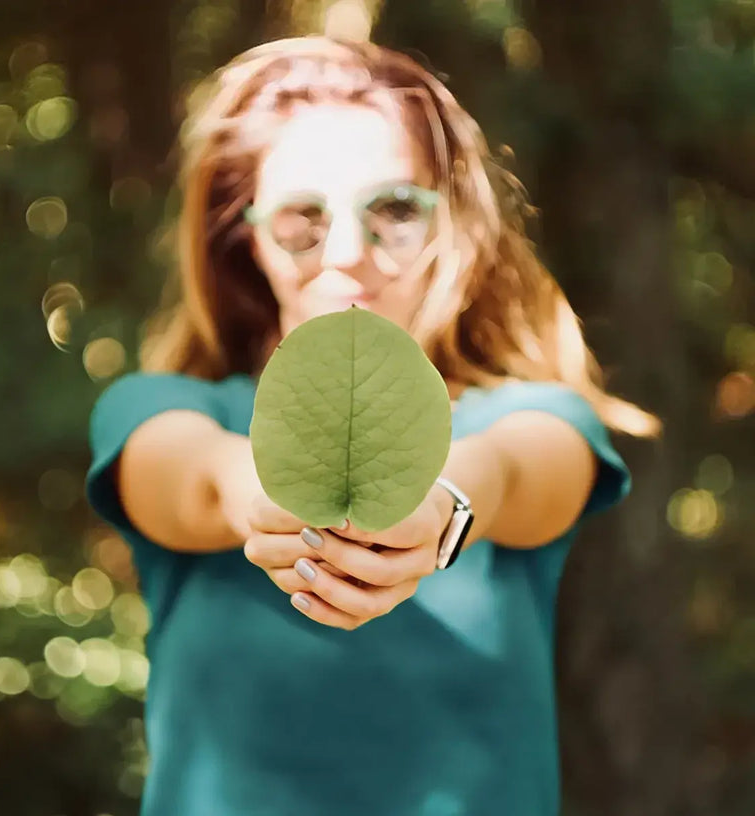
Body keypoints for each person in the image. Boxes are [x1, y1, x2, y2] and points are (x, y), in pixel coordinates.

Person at [85, 36, 659, 816]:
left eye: (394, 209)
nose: (348, 254)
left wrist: (441, 508)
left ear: (449, 224)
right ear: (244, 236)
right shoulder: (158, 409)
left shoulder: (536, 414)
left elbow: (516, 474)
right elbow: (194, 481)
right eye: (302, 217)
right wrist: (270, 497)